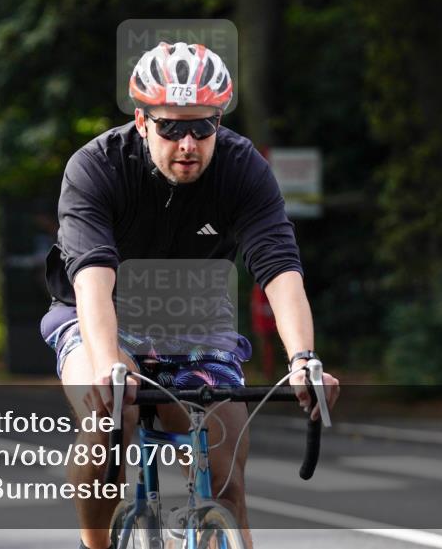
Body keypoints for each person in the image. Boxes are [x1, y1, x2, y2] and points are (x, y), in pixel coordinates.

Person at [40, 41, 340, 549]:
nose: (187, 143)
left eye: (202, 127)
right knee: (111, 417)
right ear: (141, 120)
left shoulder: (242, 168)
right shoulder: (96, 167)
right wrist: (108, 362)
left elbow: (279, 267)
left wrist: (303, 359)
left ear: (219, 123)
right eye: (171, 126)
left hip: (192, 320)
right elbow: (92, 275)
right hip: (94, 313)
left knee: (224, 478)